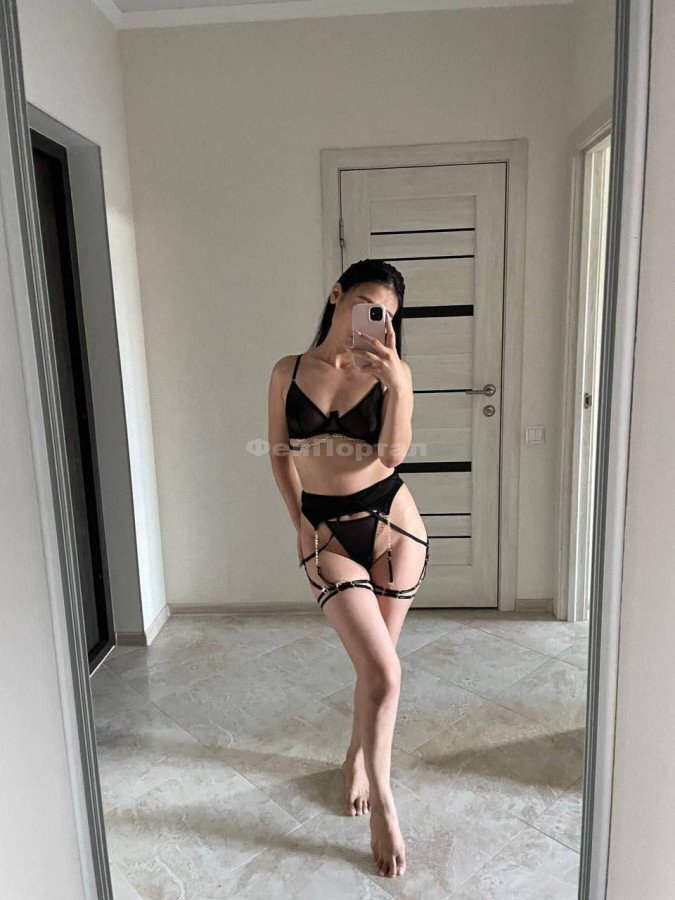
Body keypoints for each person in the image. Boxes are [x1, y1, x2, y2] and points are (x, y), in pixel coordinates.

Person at [267, 258, 430, 878]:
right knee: (381, 672)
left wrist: (400, 384)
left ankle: (363, 770)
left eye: (387, 315)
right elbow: (280, 454)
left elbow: (391, 456)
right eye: (368, 305)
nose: (378, 321)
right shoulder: (289, 371)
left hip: (394, 527)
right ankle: (382, 797)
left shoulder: (390, 374)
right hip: (326, 531)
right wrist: (299, 524)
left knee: (378, 669)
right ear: (337, 296)